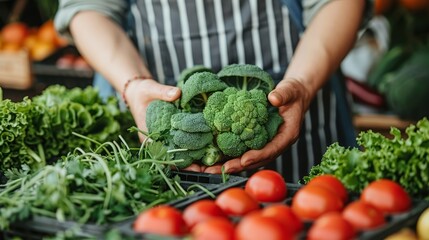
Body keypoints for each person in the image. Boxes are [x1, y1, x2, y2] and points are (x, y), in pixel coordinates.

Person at [54, 0, 372, 183]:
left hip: (303, 102)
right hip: (172, 126)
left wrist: (302, 85)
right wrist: (133, 83)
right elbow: (88, 7)